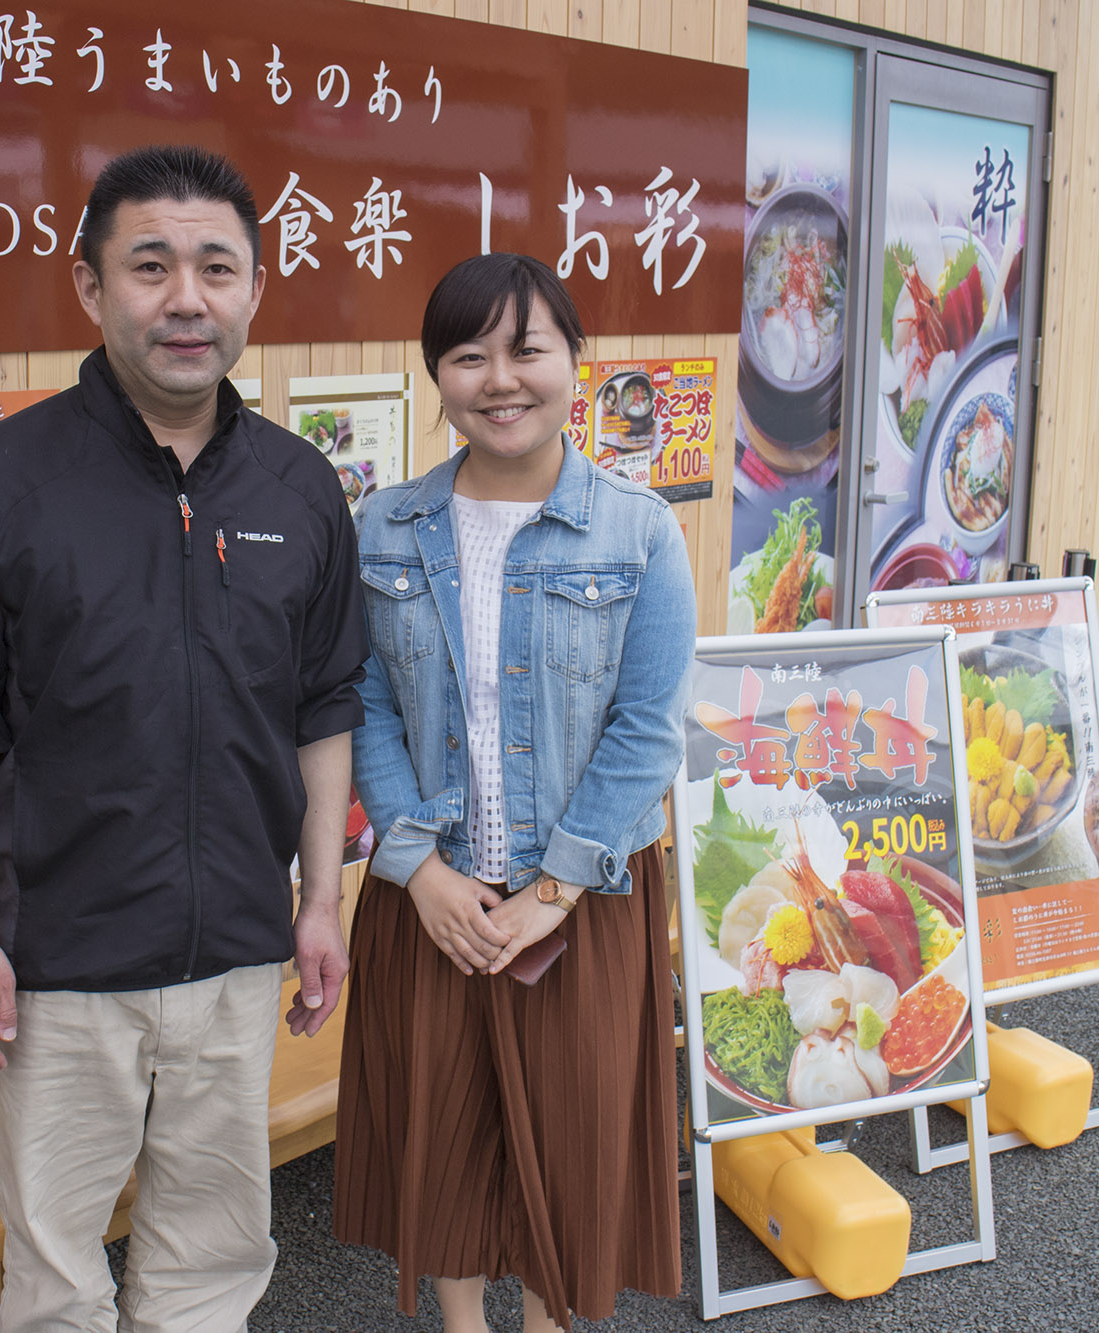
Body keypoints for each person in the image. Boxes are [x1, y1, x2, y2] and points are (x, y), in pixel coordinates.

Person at [0, 144, 367, 1333]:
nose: (184, 298)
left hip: (238, 957)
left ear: (254, 289)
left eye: (215, 267)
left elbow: (321, 711)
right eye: (149, 266)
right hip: (57, 965)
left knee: (211, 1252)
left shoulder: (299, 490)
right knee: (53, 1275)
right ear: (91, 288)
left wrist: (315, 905)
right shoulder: (0, 480)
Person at [328, 253, 695, 1332]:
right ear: (435, 375)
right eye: (467, 353)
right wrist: (415, 868)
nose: (500, 377)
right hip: (430, 889)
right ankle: (458, 1322)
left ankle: (542, 1323)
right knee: (438, 1123)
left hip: (582, 895)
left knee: (568, 1135)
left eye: (527, 349)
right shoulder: (383, 527)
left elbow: (647, 729)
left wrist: (554, 888)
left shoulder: (637, 529)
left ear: (572, 362)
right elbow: (362, 704)